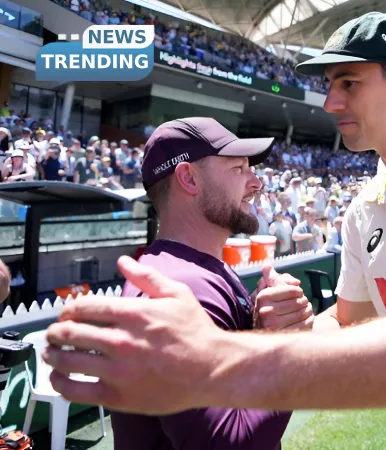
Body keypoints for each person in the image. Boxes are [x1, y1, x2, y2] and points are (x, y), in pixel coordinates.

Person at [47, 12, 386, 449]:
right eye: (329, 85)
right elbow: (347, 319)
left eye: (348, 82)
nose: (330, 102)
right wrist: (287, 327)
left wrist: (225, 363)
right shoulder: (363, 208)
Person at [108, 117, 313, 450]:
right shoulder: (175, 287)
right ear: (189, 178)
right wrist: (284, 346)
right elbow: (229, 443)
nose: (256, 182)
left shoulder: (195, 271)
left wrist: (260, 326)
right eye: (238, 169)